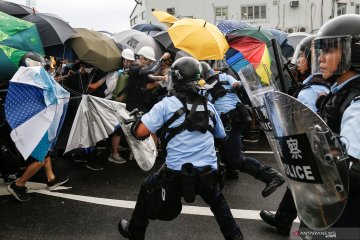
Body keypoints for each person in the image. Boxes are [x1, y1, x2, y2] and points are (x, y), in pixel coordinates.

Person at [118, 57, 244, 240]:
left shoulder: (165, 105)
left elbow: (139, 132)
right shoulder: (208, 106)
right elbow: (221, 136)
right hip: (208, 171)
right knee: (218, 203)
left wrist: (138, 120)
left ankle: (135, 232)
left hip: (175, 173)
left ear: (176, 79)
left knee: (147, 188)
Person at [259, 35, 331, 236]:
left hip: (308, 147)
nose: (298, 61)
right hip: (319, 150)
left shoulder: (309, 91)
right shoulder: (322, 84)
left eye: (302, 57)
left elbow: (301, 125)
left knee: (302, 186)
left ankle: (290, 223)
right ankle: (283, 219)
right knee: (297, 184)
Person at [200, 62, 285, 196]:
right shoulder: (225, 77)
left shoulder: (203, 89)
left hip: (230, 123)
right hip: (240, 117)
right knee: (223, 142)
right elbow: (238, 85)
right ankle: (230, 172)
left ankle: (271, 176)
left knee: (235, 158)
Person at [108, 49, 136, 164]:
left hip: (122, 104)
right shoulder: (115, 72)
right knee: (117, 129)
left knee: (119, 128)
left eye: (130, 61)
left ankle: (116, 148)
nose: (128, 63)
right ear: (123, 60)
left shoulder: (126, 73)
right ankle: (114, 154)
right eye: (127, 61)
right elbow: (111, 89)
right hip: (114, 103)